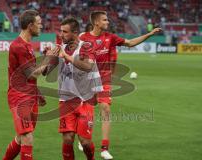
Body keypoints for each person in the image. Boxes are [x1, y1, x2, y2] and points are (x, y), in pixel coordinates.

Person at [80, 11, 162, 159]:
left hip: (104, 80)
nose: (108, 22)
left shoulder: (110, 38)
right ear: (96, 23)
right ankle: (83, 137)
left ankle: (104, 148)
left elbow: (130, 43)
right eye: (104, 20)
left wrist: (149, 34)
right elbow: (68, 47)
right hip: (87, 80)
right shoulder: (83, 37)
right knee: (86, 112)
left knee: (105, 109)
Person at [44, 17, 102, 160]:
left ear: (75, 32)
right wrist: (48, 58)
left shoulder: (86, 47)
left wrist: (66, 57)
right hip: (66, 101)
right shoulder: (59, 48)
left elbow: (88, 66)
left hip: (85, 100)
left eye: (65, 32)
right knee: (68, 139)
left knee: (85, 142)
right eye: (60, 31)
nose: (61, 34)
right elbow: (46, 72)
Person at [2, 10, 51, 160]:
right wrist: (48, 58)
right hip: (19, 97)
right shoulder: (19, 46)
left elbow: (40, 73)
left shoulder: (28, 46)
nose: (41, 26)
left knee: (21, 137)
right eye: (39, 23)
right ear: (30, 26)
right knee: (27, 137)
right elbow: (32, 73)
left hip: (29, 95)